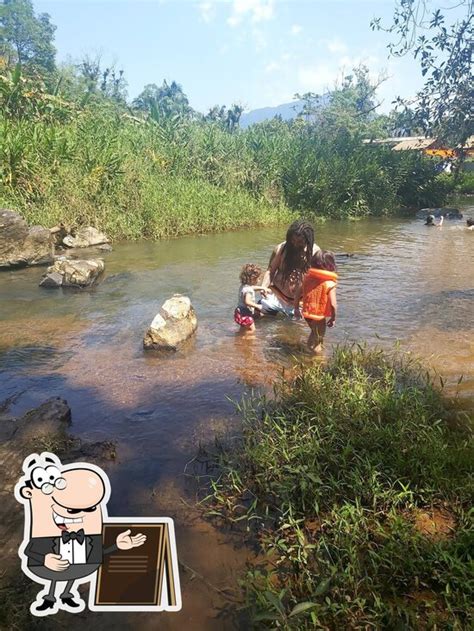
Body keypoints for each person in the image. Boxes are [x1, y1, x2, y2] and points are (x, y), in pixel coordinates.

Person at [260, 219, 320, 317]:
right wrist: (263, 287)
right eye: (293, 241)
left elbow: (318, 281)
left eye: (300, 242)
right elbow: (270, 270)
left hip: (300, 302)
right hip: (277, 296)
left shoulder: (315, 253)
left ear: (308, 240)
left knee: (301, 329)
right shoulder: (281, 249)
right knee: (256, 315)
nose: (295, 244)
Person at [294, 250, 338, 354]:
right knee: (319, 339)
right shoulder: (330, 283)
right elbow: (333, 304)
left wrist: (296, 308)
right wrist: (333, 318)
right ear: (331, 266)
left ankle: (309, 350)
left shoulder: (306, 278)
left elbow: (297, 294)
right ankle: (316, 358)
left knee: (314, 333)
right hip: (319, 316)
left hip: (308, 314)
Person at [234, 263, 268, 333]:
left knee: (244, 329)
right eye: (258, 279)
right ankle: (248, 341)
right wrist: (258, 306)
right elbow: (247, 301)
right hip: (245, 313)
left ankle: (239, 338)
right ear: (252, 279)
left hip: (239, 311)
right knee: (252, 330)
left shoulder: (244, 286)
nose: (259, 281)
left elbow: (252, 288)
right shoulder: (248, 290)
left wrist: (262, 288)